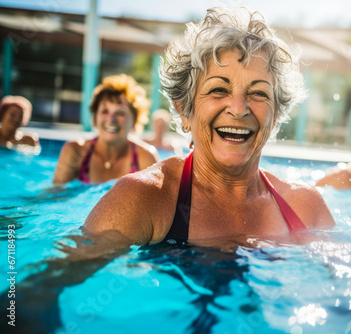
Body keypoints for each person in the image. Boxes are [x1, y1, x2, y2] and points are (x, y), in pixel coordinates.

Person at [83, 7, 335, 247]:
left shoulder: (306, 208)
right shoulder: (145, 199)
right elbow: (59, 285)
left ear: (276, 114)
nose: (238, 108)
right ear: (184, 110)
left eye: (258, 93)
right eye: (218, 89)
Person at [53, 74, 159, 184]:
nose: (111, 120)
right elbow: (55, 196)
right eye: (104, 111)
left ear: (135, 119)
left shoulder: (145, 157)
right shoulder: (75, 152)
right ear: (95, 116)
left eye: (120, 113)